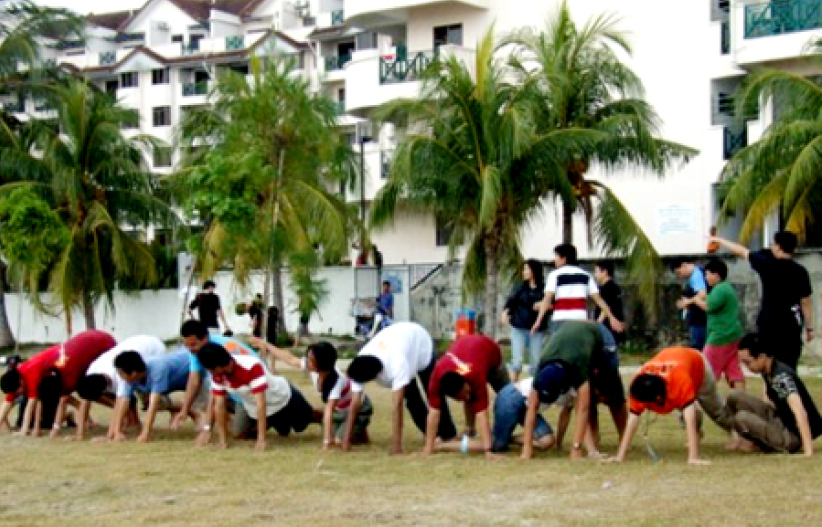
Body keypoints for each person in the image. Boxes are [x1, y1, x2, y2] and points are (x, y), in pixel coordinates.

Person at [521, 320, 627, 460]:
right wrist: (527, 447)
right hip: (573, 338)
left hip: (600, 336)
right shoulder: (542, 366)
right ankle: (593, 442)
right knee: (590, 395)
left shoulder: (577, 365)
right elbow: (531, 408)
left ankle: (624, 438)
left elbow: (583, 408)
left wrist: (576, 448)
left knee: (613, 393)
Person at [345, 322, 457, 454]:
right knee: (412, 400)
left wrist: (396, 445)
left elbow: (397, 405)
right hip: (400, 343)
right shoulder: (360, 363)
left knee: (433, 392)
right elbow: (355, 404)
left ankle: (448, 434)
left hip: (420, 343)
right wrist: (346, 440)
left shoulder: (396, 364)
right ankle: (432, 434)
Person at [610, 346, 732, 465]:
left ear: (658, 398)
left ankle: (737, 433)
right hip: (676, 363)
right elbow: (632, 420)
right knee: (686, 411)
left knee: (715, 410)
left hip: (698, 365)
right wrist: (620, 457)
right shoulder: (639, 385)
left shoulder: (679, 380)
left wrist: (693, 458)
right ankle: (697, 434)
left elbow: (690, 416)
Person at [709, 231, 813, 369]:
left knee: (767, 365)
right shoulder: (801, 271)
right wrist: (809, 327)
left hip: (769, 324)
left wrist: (720, 240)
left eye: (773, 244)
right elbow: (806, 302)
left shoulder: (767, 264)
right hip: (791, 326)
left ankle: (770, 383)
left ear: (779, 247)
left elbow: (742, 251)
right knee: (789, 366)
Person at [250, 338, 372, 449]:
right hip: (340, 410)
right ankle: (356, 429)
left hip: (357, 408)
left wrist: (326, 442)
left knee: (338, 441)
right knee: (330, 430)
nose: (307, 362)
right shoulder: (315, 369)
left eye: (311, 360)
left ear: (321, 362)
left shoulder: (337, 380)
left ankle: (359, 423)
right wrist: (266, 345)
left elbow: (329, 410)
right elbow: (290, 359)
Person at [196, 342, 319, 451]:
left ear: (218, 366)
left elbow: (261, 403)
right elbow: (219, 406)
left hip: (281, 399)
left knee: (303, 423)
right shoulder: (217, 375)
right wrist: (222, 441)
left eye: (210, 369)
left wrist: (261, 439)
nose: (210, 373)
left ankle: (320, 415)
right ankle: (273, 423)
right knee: (239, 434)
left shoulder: (251, 366)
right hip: (252, 406)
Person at [0, 330, 116, 437]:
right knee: (72, 396)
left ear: (21, 382)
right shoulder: (17, 377)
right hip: (67, 361)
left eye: (18, 392)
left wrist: (25, 430)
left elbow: (33, 404)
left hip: (91, 349)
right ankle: (101, 415)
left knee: (88, 389)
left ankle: (116, 410)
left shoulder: (32, 375)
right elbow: (7, 403)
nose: (18, 394)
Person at [727, 334, 822, 455]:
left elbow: (799, 411)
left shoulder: (781, 377)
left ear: (762, 357)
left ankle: (769, 443)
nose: (747, 367)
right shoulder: (768, 370)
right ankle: (746, 441)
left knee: (742, 418)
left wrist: (808, 450)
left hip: (792, 434)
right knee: (735, 397)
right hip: (781, 419)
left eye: (748, 362)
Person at [422, 334, 510, 458]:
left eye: (467, 392)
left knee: (509, 398)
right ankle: (470, 430)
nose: (468, 398)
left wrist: (488, 451)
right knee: (470, 395)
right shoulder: (436, 379)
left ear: (465, 380)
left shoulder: (475, 374)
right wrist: (428, 447)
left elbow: (482, 414)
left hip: (493, 357)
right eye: (462, 398)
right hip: (469, 356)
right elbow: (433, 413)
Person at [173, 320, 260, 444]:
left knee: (239, 433)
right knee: (207, 389)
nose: (190, 349)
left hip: (250, 391)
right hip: (233, 389)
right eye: (187, 345)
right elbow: (194, 380)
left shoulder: (221, 350)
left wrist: (207, 429)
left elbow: (215, 395)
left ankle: (260, 420)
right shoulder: (197, 351)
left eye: (193, 345)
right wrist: (184, 410)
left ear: (205, 338)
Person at [74, 335, 167, 441]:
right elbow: (85, 401)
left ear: (104, 391)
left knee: (151, 400)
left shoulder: (121, 374)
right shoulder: (92, 371)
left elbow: (120, 404)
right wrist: (79, 434)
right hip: (137, 345)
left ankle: (174, 410)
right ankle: (134, 423)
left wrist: (110, 436)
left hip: (154, 349)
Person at [532, 244, 624, 334]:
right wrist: (612, 317)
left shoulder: (554, 275)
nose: (554, 259)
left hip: (560, 319)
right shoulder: (586, 275)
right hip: (580, 320)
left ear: (564, 258)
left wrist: (538, 321)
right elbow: (598, 299)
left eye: (556, 256)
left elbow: (547, 300)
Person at [685, 259, 745, 391]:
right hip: (732, 334)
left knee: (706, 370)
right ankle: (742, 398)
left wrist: (695, 299)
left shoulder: (720, 290)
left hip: (720, 336)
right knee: (733, 370)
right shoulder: (726, 288)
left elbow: (708, 306)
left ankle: (703, 401)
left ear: (716, 275)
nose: (706, 278)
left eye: (707, 274)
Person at [114, 349, 196, 443]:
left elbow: (153, 405)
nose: (119, 376)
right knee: (150, 402)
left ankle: (195, 414)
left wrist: (145, 433)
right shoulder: (130, 378)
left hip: (192, 372)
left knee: (201, 410)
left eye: (120, 373)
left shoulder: (157, 368)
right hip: (173, 384)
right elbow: (123, 401)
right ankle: (185, 410)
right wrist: (117, 432)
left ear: (134, 373)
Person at [491, 377, 573, 453]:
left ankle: (507, 438)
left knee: (547, 441)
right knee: (497, 446)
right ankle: (496, 438)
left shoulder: (573, 392)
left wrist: (558, 444)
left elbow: (565, 416)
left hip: (529, 407)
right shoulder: (555, 376)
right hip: (513, 396)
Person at [501, 259, 547, 381]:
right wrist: (505, 312)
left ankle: (532, 388)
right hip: (519, 326)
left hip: (537, 329)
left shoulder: (545, 288)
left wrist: (543, 305)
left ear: (534, 271)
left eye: (527, 269)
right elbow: (511, 301)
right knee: (516, 362)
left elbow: (552, 304)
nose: (524, 272)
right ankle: (513, 387)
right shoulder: (519, 286)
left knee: (536, 362)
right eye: (524, 269)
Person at [671, 257, 709, 350]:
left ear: (684, 265)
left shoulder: (696, 275)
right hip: (698, 318)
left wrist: (688, 301)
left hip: (700, 319)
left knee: (698, 347)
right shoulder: (693, 276)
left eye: (679, 272)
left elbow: (702, 294)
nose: (680, 276)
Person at [593, 260, 625, 343]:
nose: (595, 275)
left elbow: (605, 309)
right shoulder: (614, 287)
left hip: (607, 328)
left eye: (596, 271)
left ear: (604, 272)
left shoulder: (608, 288)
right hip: (612, 328)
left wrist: (597, 326)